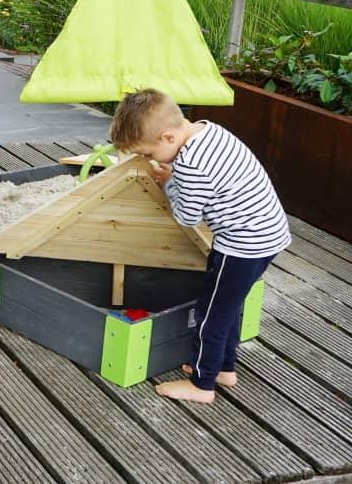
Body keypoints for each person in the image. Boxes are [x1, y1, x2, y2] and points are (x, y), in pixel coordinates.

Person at [109, 88, 290, 403]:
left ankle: (203, 385)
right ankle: (224, 369)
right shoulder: (209, 130)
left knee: (209, 313)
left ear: (167, 137)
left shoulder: (191, 165)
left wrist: (168, 184)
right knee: (228, 306)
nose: (146, 160)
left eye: (147, 154)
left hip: (241, 245)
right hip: (267, 234)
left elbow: (187, 215)